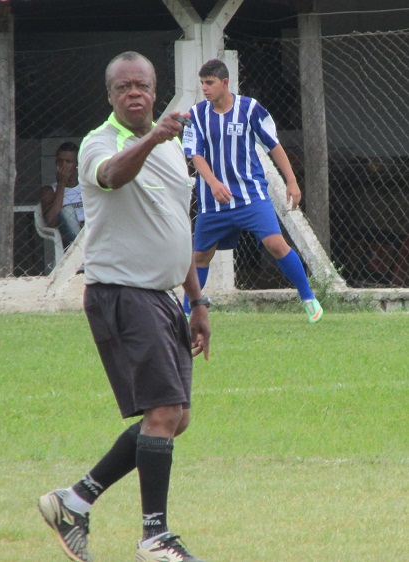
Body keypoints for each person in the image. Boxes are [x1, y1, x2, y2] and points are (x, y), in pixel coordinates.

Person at [38, 51, 211, 562]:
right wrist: (153, 136)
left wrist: (198, 300)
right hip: (124, 293)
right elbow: (111, 176)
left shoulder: (170, 151)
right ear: (110, 96)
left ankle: (75, 500)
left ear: (155, 91)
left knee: (175, 418)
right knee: (162, 411)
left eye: (142, 85)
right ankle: (155, 537)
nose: (133, 92)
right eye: (123, 87)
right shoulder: (101, 142)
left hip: (164, 297)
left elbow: (176, 227)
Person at [182, 59, 323, 323]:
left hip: (250, 196)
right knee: (200, 256)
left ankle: (308, 298)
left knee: (276, 244)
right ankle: (186, 312)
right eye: (202, 83)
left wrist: (292, 181)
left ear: (225, 83)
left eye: (209, 83)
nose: (205, 88)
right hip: (214, 202)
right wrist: (213, 183)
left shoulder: (250, 109)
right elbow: (195, 155)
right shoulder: (196, 114)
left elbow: (274, 145)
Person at [40, 141, 84, 250]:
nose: (63, 165)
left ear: (77, 164)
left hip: (92, 230)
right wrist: (61, 184)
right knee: (67, 211)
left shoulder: (87, 187)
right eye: (60, 161)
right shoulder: (49, 190)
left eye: (68, 161)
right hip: (70, 238)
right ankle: (81, 249)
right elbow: (51, 222)